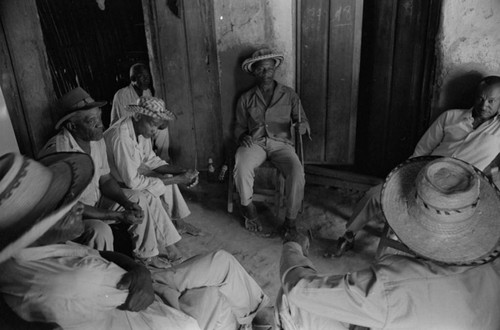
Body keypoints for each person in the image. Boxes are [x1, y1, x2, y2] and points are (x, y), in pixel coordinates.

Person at [0, 152, 269, 330]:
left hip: (137, 283)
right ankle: (249, 321)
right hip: (151, 312)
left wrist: (138, 268)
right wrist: (158, 282)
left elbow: (104, 258)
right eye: (66, 206)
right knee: (213, 300)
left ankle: (257, 317)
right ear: (38, 225)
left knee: (222, 262)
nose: (79, 207)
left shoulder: (34, 247)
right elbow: (150, 301)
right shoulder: (74, 280)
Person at [278, 156, 500, 329]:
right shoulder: (493, 268)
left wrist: (293, 247)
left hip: (391, 305)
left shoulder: (397, 282)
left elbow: (299, 289)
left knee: (292, 303)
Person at [335, 75, 500, 256]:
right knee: (375, 194)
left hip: (455, 190)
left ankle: (399, 240)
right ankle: (349, 234)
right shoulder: (451, 117)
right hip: (424, 173)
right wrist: (405, 174)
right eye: (481, 98)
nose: (484, 105)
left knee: (421, 218)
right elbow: (423, 148)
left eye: (492, 101)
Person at [38, 87, 146, 254]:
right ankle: (104, 272)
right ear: (72, 126)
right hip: (67, 217)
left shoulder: (96, 140)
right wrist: (116, 215)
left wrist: (126, 203)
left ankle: (145, 255)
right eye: (91, 121)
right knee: (99, 230)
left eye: (99, 117)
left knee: (137, 198)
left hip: (94, 202)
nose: (100, 124)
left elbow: (106, 180)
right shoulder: (59, 152)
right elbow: (70, 206)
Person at [105, 96, 202, 245]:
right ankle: (167, 245)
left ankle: (179, 223)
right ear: (138, 116)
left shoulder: (141, 130)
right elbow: (133, 183)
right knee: (153, 190)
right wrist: (179, 179)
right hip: (115, 184)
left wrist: (183, 172)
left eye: (158, 126)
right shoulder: (120, 136)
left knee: (167, 175)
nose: (155, 130)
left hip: (130, 174)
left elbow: (152, 160)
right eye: (153, 125)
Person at [234, 48, 310, 236]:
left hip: (282, 144)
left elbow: (303, 121)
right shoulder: (246, 98)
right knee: (241, 163)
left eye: (269, 69)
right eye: (260, 69)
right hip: (256, 143)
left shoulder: (290, 95)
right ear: (254, 72)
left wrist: (303, 126)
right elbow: (239, 127)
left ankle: (290, 221)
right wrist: (243, 136)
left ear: (275, 69)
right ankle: (249, 209)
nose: (265, 73)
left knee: (296, 172)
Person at [111, 62, 171, 161]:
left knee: (163, 130)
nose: (147, 79)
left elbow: (151, 114)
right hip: (125, 132)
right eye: (142, 77)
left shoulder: (147, 92)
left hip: (141, 125)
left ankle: (163, 159)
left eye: (147, 76)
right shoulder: (121, 95)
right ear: (133, 79)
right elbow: (129, 120)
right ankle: (145, 160)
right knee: (144, 128)